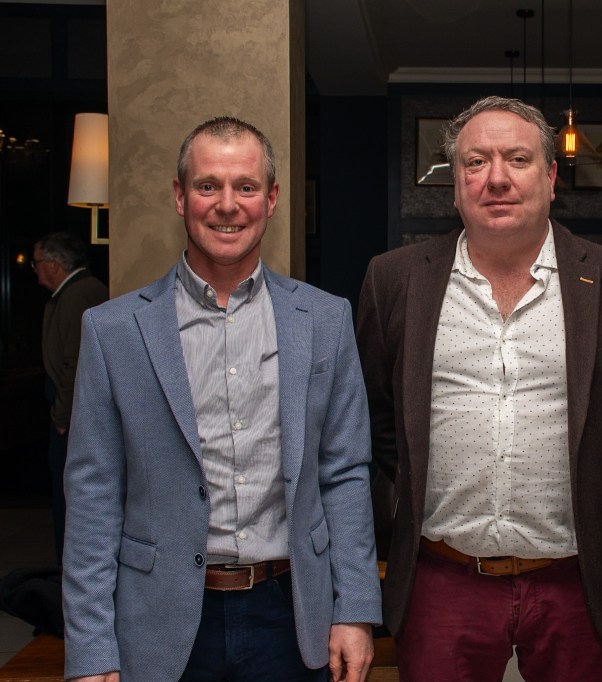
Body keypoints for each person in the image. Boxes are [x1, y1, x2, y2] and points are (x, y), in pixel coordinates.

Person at [62, 117, 381, 682]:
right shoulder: (114, 331)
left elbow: (345, 473)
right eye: (208, 185)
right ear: (180, 196)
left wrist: (353, 609)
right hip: (159, 621)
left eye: (246, 187)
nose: (227, 205)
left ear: (271, 199)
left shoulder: (324, 320)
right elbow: (93, 495)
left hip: (292, 615)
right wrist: (91, 648)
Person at [356, 96, 602, 681]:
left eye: (517, 160)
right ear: (456, 184)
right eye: (476, 162)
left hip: (579, 579)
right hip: (443, 577)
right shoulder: (393, 280)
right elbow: (377, 418)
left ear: (550, 177)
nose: (496, 178)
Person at [32, 230, 107, 565]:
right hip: (70, 412)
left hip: (75, 415)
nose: (35, 270)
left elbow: (74, 362)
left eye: (37, 262)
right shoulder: (71, 293)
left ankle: (73, 569)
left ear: (54, 264)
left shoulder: (78, 295)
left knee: (73, 496)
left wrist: (63, 417)